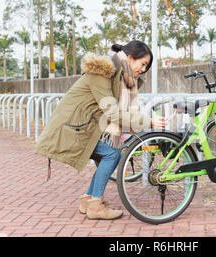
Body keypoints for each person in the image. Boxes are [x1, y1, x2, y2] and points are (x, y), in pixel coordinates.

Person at [35, 40, 166, 220]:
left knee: (111, 154)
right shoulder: (103, 73)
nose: (143, 70)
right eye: (143, 64)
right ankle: (95, 204)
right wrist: (148, 121)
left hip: (82, 127)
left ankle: (88, 200)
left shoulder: (118, 74)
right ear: (129, 57)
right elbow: (112, 112)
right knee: (112, 155)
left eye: (146, 67)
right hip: (71, 129)